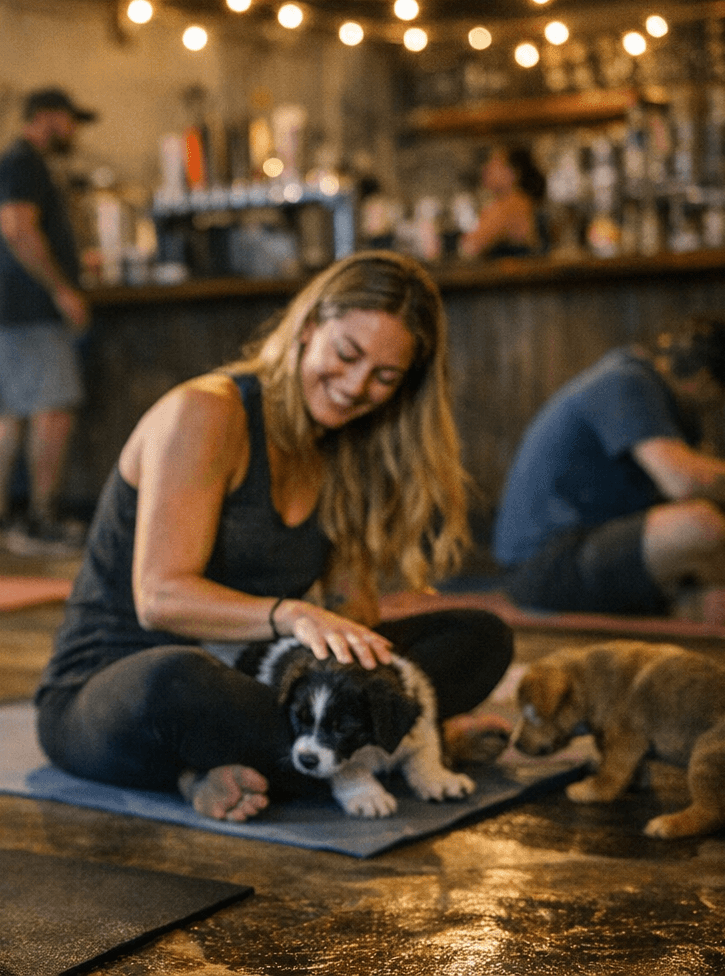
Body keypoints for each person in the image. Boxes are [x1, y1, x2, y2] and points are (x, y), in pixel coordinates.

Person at [34, 250, 514, 821]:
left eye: (385, 377)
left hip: (256, 682)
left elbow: (352, 616)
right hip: (124, 686)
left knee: (479, 636)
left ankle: (307, 755)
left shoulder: (348, 445)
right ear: (309, 328)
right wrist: (293, 615)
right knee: (176, 679)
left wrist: (364, 658)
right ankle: (391, 751)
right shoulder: (206, 412)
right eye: (347, 354)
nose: (356, 386)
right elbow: (160, 598)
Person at [493, 316, 725, 624]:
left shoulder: (670, 402)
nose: (721, 403)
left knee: (718, 530)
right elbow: (685, 481)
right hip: (544, 567)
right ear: (705, 380)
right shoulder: (627, 380)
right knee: (701, 526)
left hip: (587, 548)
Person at [0, 85, 96, 556]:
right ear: (46, 117)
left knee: (12, 414)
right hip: (24, 312)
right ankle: (41, 520)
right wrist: (62, 289)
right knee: (52, 410)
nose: (73, 130)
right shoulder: (23, 163)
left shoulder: (17, 163)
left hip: (2, 313)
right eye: (69, 119)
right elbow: (18, 228)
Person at [459, 144, 546, 260]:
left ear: (514, 173)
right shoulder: (511, 202)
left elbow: (471, 246)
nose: (486, 168)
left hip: (516, 275)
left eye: (495, 163)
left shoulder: (514, 203)